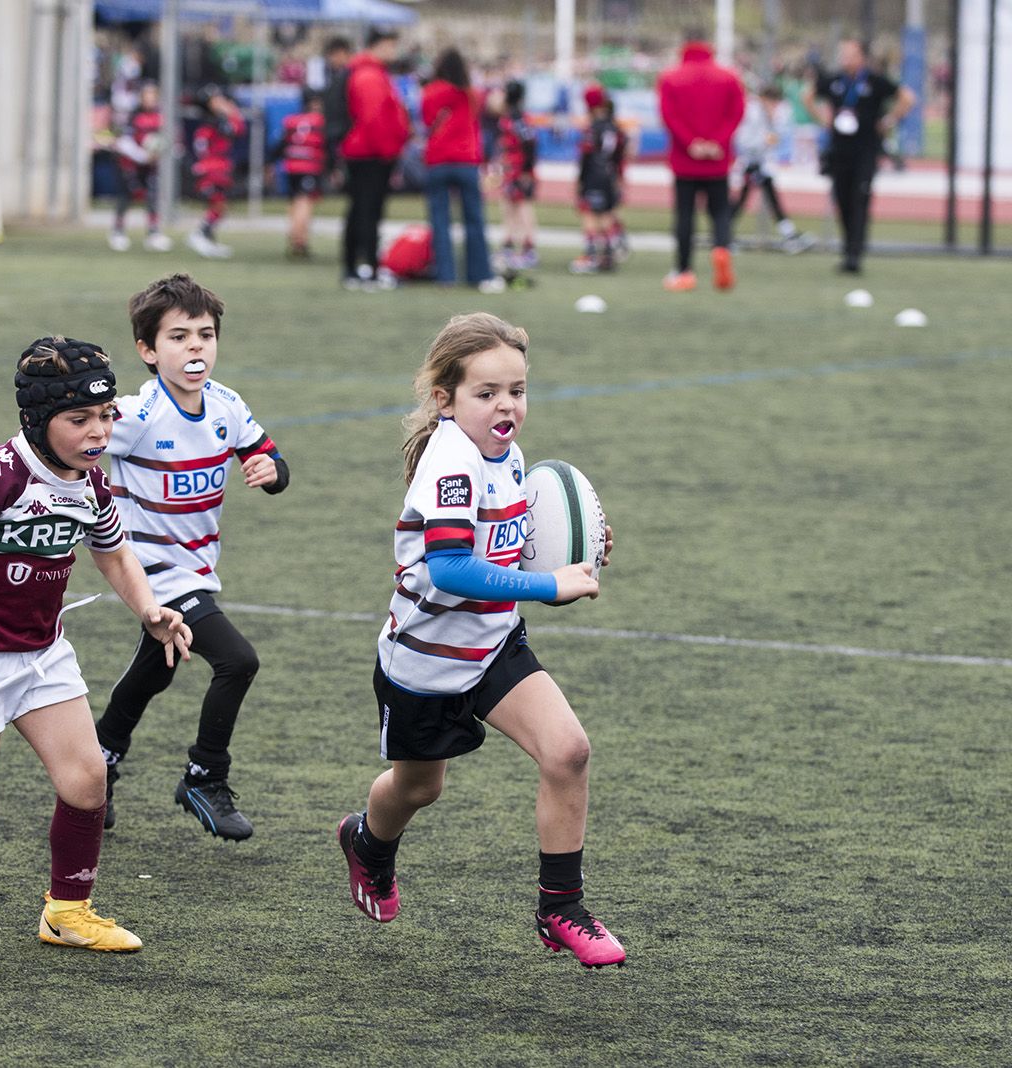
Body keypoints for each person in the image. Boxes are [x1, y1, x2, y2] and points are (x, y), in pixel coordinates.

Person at [0, 337, 192, 953]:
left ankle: (66, 912)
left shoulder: (90, 482)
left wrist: (149, 608)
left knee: (88, 778)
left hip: (43, 655)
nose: (97, 432)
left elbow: (113, 550)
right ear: (38, 421)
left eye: (105, 417)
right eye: (79, 420)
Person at [335, 311, 625, 970]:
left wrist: (575, 546)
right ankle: (367, 843)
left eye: (517, 391)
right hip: (425, 663)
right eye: (487, 392)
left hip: (492, 644)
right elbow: (452, 568)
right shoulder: (451, 461)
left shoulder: (505, 452)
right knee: (418, 789)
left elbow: (509, 540)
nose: (506, 406)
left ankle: (561, 908)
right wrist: (552, 583)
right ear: (445, 398)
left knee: (569, 750)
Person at [95, 274, 290, 840]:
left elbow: (271, 459)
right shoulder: (134, 417)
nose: (196, 347)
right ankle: (204, 776)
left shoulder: (227, 405)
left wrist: (271, 470)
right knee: (238, 660)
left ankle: (100, 761)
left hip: (197, 568)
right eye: (178, 337)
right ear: (148, 351)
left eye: (205, 334)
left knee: (157, 667)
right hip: (149, 568)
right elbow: (69, 445)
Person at [805, 39, 914, 274]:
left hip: (865, 152)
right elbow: (808, 97)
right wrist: (824, 120)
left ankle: (855, 254)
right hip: (839, 152)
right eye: (843, 54)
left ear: (862, 57)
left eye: (850, 54)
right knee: (842, 201)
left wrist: (889, 121)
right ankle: (847, 249)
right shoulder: (835, 80)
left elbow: (907, 98)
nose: (845, 59)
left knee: (860, 200)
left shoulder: (875, 81)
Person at [657, 29, 746, 292]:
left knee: (685, 215)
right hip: (717, 160)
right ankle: (721, 248)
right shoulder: (729, 77)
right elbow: (737, 112)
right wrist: (717, 141)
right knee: (720, 211)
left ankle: (684, 270)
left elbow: (668, 114)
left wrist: (692, 143)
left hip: (685, 160)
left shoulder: (671, 78)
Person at [420, 48, 503, 292]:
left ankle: (445, 275)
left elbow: (427, 122)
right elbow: (493, 107)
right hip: (466, 161)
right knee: (474, 220)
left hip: (437, 160)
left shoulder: (430, 92)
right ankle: (479, 274)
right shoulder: (471, 94)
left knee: (440, 220)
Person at [340, 29, 411, 289]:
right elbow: (374, 118)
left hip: (369, 151)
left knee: (362, 210)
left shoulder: (372, 73)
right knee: (367, 212)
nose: (393, 52)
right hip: (370, 153)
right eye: (390, 45)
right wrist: (389, 150)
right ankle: (365, 266)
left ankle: (358, 267)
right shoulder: (369, 75)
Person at [731, 83, 814, 253]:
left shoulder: (776, 114)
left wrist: (772, 126)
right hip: (750, 162)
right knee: (744, 200)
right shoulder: (751, 113)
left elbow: (777, 136)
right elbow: (743, 141)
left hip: (762, 163)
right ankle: (723, 234)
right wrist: (764, 141)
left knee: (765, 198)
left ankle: (789, 235)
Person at [570, 84, 628, 275]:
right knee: (606, 215)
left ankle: (591, 255)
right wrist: (618, 176)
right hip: (609, 175)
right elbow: (620, 155)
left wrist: (579, 180)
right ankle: (608, 254)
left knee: (590, 215)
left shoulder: (592, 128)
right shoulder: (614, 127)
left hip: (593, 176)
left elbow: (586, 156)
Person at [109, 81, 172, 253]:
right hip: (130, 164)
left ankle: (153, 233)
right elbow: (122, 141)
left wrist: (158, 151)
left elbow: (165, 140)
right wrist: (141, 155)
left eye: (153, 96)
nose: (150, 100)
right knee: (126, 197)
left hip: (150, 165)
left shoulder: (161, 117)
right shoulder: (132, 116)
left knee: (152, 198)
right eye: (147, 96)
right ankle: (118, 232)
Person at [187, 85, 245, 259]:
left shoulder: (211, 122)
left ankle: (207, 238)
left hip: (215, 167)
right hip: (213, 169)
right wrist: (232, 112)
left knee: (219, 205)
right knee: (218, 205)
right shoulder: (216, 122)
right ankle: (200, 234)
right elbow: (237, 129)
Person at [494, 80, 539, 271]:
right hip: (512, 169)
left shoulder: (517, 119)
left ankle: (528, 249)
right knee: (509, 206)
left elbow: (529, 144)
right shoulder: (512, 117)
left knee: (522, 207)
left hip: (519, 170)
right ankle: (509, 245)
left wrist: (526, 171)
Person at [278, 89, 327, 258]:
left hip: (291, 167)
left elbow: (280, 145)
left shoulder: (291, 120)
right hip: (309, 167)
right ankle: (300, 241)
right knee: (304, 203)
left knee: (294, 203)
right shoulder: (321, 121)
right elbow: (327, 146)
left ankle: (295, 238)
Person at [320, 35, 355, 177]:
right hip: (336, 130)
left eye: (333, 56)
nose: (331, 60)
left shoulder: (351, 76)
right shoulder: (333, 76)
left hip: (344, 130)